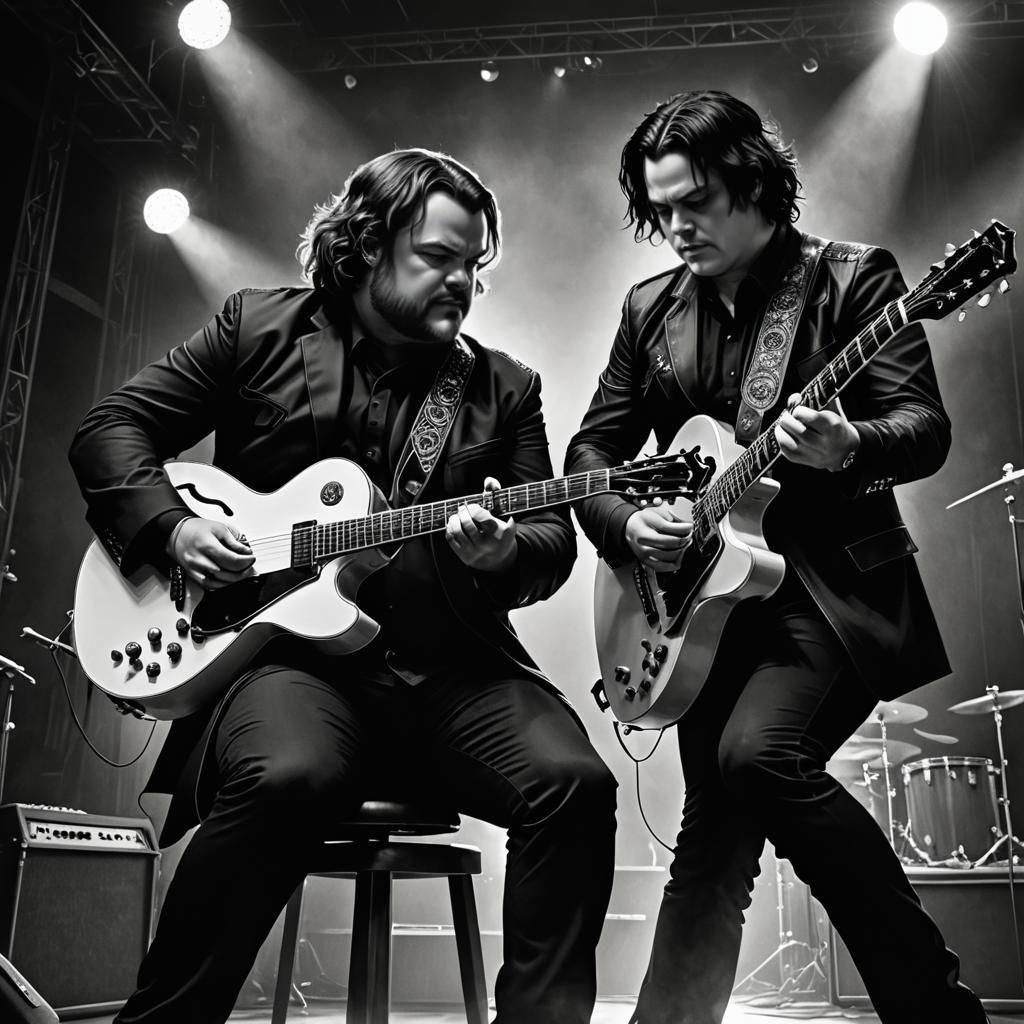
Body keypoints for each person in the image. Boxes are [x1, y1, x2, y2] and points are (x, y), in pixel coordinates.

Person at [70, 148, 617, 1024]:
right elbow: (112, 429)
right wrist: (175, 527)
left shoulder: (505, 386)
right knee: (289, 775)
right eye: (438, 258)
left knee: (575, 786)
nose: (462, 283)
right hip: (291, 669)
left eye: (474, 266)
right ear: (367, 245)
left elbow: (551, 541)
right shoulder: (258, 329)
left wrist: (502, 555)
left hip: (452, 671)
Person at [565, 91, 987, 1024]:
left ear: (758, 183)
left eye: (697, 203)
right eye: (660, 208)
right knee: (712, 839)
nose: (676, 227)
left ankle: (935, 1006)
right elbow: (589, 455)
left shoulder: (851, 279)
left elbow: (924, 429)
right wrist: (629, 528)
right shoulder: (650, 311)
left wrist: (852, 446)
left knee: (758, 759)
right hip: (704, 608)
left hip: (829, 593)